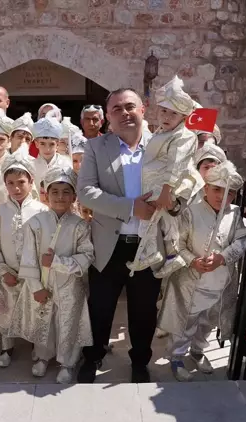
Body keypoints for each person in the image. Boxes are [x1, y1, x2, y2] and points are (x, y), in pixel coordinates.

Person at [77, 87, 173, 384]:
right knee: (101, 307)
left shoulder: (163, 146)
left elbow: (181, 187)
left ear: (143, 109)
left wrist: (174, 200)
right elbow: (86, 192)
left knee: (144, 309)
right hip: (109, 243)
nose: (124, 113)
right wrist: (132, 208)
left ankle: (140, 361)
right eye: (117, 109)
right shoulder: (95, 147)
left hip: (149, 244)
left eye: (129, 106)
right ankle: (92, 357)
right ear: (108, 117)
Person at [158, 161, 246, 381]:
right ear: (205, 188)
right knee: (186, 321)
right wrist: (192, 261)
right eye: (216, 189)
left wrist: (222, 258)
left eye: (229, 192)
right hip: (192, 280)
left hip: (220, 281)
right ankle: (177, 356)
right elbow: (176, 244)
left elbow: (241, 239)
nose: (221, 196)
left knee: (208, 321)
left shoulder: (234, 214)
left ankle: (198, 351)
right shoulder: (190, 211)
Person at [10, 166, 94, 384]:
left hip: (70, 286)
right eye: (55, 191)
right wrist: (36, 287)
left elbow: (86, 257)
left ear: (74, 196)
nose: (60, 197)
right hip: (42, 285)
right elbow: (27, 258)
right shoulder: (35, 224)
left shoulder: (80, 226)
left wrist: (58, 263)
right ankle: (42, 356)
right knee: (44, 321)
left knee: (69, 322)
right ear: (46, 195)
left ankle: (67, 362)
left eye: (66, 192)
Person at [126, 76, 203, 277]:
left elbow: (177, 163)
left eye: (173, 113)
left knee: (154, 217)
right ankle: (166, 255)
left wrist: (167, 191)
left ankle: (158, 253)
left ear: (183, 117)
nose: (166, 116)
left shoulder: (184, 136)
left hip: (166, 185)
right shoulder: (162, 132)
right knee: (159, 220)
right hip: (156, 184)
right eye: (164, 111)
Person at [0, 153, 48, 368]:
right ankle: (6, 347)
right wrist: (3, 271)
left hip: (35, 275)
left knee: (35, 311)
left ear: (31, 182)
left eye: (21, 182)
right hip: (8, 273)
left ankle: (37, 347)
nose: (16, 188)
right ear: (5, 184)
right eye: (10, 183)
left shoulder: (42, 211)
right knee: (7, 311)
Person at [32, 111, 73, 190]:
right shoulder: (30, 165)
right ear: (36, 144)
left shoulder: (66, 164)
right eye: (43, 144)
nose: (47, 149)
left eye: (52, 144)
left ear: (57, 144)